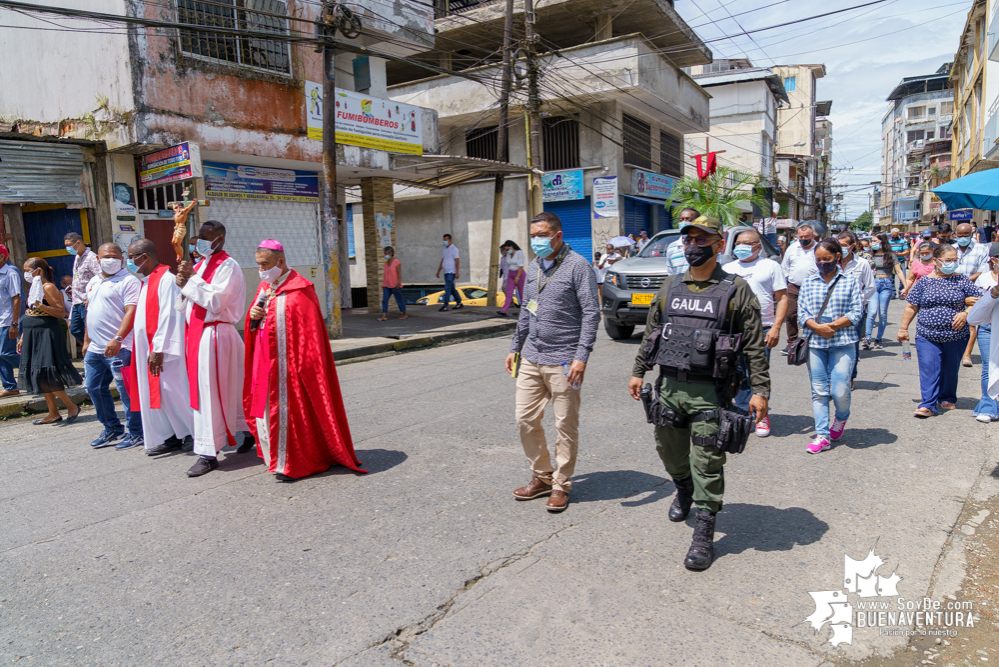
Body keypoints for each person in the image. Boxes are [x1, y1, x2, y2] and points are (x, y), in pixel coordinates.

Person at [629, 215, 770, 570]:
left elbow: (753, 346)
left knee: (707, 462)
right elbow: (652, 333)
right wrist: (638, 371)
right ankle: (683, 489)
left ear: (719, 245)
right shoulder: (670, 287)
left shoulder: (736, 290)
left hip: (711, 392)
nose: (693, 245)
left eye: (701, 240)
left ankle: (704, 532)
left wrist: (761, 391)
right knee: (669, 453)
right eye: (688, 239)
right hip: (669, 387)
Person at [244, 240, 367, 479]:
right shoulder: (264, 287)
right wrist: (253, 316)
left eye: (265, 264)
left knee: (292, 413)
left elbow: (310, 339)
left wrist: (304, 368)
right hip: (264, 364)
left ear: (280, 261)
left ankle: (294, 460)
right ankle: (274, 458)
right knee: (266, 410)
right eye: (258, 265)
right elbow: (257, 324)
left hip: (291, 368)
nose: (261, 270)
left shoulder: (301, 290)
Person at [506, 212, 600, 514]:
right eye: (533, 236)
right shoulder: (533, 266)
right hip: (532, 357)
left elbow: (591, 313)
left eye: (542, 235)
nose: (537, 241)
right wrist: (514, 347)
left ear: (558, 236)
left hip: (564, 360)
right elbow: (526, 311)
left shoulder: (578, 267)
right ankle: (542, 476)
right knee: (525, 419)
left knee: (565, 425)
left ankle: (561, 485)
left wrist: (581, 356)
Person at [175, 219, 248, 477]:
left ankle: (207, 453)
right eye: (200, 236)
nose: (202, 241)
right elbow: (186, 305)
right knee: (225, 390)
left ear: (220, 239)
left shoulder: (229, 266)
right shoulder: (202, 264)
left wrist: (192, 280)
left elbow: (216, 301)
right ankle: (248, 431)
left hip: (217, 333)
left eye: (207, 237)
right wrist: (183, 285)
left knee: (210, 393)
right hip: (199, 334)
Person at [124, 239, 193, 456]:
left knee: (173, 392)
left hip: (163, 352)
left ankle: (191, 433)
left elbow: (169, 316)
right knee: (157, 395)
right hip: (148, 348)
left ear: (144, 257)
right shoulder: (147, 281)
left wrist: (159, 348)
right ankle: (170, 436)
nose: (129, 261)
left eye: (131, 256)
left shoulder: (167, 280)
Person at [899, 243, 981, 418]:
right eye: (948, 260)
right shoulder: (925, 282)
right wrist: (903, 329)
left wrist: (966, 313)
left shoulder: (962, 280)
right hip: (927, 334)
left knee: (950, 368)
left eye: (955, 260)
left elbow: (979, 301)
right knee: (929, 367)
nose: (953, 263)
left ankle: (947, 396)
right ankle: (927, 404)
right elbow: (911, 307)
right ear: (935, 260)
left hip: (956, 335)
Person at [798, 239, 864, 454]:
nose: (822, 263)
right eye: (818, 259)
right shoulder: (808, 282)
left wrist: (832, 326)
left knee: (840, 389)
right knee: (819, 391)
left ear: (837, 257)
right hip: (816, 343)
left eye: (826, 259)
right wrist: (817, 327)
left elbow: (856, 312)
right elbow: (801, 313)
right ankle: (822, 435)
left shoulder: (850, 281)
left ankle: (842, 418)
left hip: (843, 342)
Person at [723, 228, 786, 437]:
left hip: (762, 328)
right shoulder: (728, 268)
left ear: (758, 246)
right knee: (737, 374)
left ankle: (761, 415)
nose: (741, 246)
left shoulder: (770, 266)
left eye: (747, 243)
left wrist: (776, 327)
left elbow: (782, 298)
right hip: (734, 330)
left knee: (757, 374)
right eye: (738, 242)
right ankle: (743, 415)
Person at [83, 243, 143, 449]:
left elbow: (131, 312)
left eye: (115, 256)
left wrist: (117, 338)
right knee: (93, 388)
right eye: (106, 256)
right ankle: (112, 429)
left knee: (126, 392)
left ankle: (137, 432)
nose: (111, 259)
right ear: (98, 259)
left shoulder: (128, 281)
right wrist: (86, 340)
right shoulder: (93, 281)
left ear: (122, 258)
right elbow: (90, 312)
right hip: (95, 348)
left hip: (121, 346)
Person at [16, 258, 82, 423]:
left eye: (27, 270)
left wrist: (41, 305)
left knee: (47, 373)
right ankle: (53, 413)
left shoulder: (48, 287)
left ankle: (71, 406)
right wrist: (23, 336)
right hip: (32, 334)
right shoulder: (35, 287)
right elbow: (30, 311)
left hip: (46, 334)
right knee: (39, 374)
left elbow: (60, 312)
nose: (26, 274)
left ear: (37, 271)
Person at [836, 231, 876, 384]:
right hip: (834, 310)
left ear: (852, 246)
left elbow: (870, 287)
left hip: (855, 311)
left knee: (852, 343)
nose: (840, 248)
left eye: (844, 245)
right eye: (838, 245)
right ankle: (835, 377)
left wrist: (858, 301)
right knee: (834, 343)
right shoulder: (832, 262)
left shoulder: (862, 263)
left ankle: (850, 376)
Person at [968, 245, 999, 423]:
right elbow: (975, 314)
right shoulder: (985, 278)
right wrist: (993, 293)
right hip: (988, 328)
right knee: (990, 366)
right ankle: (988, 406)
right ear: (994, 260)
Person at [861, 233, 907, 350]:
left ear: (882, 242)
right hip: (873, 284)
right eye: (873, 241)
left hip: (886, 284)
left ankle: (878, 339)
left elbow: (899, 271)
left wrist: (905, 286)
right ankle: (867, 337)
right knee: (871, 312)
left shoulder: (891, 255)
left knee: (882, 313)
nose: (873, 243)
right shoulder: (869, 255)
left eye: (876, 241)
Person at [954, 222, 990, 368]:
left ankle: (967, 354)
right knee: (955, 320)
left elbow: (983, 270)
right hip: (953, 288)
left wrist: (965, 281)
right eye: (960, 235)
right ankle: (955, 351)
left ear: (971, 235)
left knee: (971, 322)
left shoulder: (981, 249)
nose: (962, 238)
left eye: (965, 235)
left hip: (973, 290)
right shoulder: (952, 249)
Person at [780, 222, 819, 355]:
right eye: (800, 237)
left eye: (806, 236)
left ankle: (811, 341)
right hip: (794, 286)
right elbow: (785, 266)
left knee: (812, 316)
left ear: (812, 235)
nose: (803, 239)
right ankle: (792, 343)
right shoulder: (793, 247)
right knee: (790, 314)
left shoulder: (819, 248)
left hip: (814, 287)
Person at [64, 232, 100, 345]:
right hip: (76, 300)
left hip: (86, 301)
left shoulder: (91, 257)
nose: (68, 248)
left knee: (89, 330)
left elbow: (100, 277)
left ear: (78, 243)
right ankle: (91, 348)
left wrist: (91, 296)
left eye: (69, 245)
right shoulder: (77, 257)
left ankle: (94, 351)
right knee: (74, 329)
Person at [0, 244, 22, 398]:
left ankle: (38, 371)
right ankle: (10, 386)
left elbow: (17, 299)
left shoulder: (11, 272)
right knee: (0, 355)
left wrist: (14, 323)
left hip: (8, 320)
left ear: (4, 257)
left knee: (6, 352)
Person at [666, 208, 700, 275]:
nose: (684, 222)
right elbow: (671, 274)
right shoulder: (671, 248)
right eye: (681, 220)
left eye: (689, 219)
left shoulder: (706, 244)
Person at [378, 246, 407, 322]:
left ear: (390, 253)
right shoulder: (386, 263)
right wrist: (383, 284)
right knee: (385, 300)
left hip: (395, 285)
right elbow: (386, 274)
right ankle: (384, 315)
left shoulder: (397, 262)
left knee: (399, 299)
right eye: (384, 254)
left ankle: (404, 313)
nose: (385, 255)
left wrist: (399, 282)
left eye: (386, 253)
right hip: (386, 285)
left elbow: (399, 273)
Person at [498, 240, 526, 317]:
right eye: (506, 250)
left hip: (519, 274)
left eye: (508, 249)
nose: (507, 251)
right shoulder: (508, 255)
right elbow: (507, 264)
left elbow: (521, 266)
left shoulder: (519, 253)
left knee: (521, 293)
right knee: (509, 293)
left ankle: (525, 311)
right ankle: (504, 310)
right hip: (511, 273)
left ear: (512, 247)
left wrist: (517, 277)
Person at [436, 234, 463, 312]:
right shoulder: (444, 249)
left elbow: (457, 260)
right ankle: (459, 302)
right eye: (444, 240)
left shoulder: (454, 249)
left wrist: (457, 272)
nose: (444, 241)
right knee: (451, 289)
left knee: (447, 288)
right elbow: (443, 260)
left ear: (450, 240)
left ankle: (445, 305)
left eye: (446, 240)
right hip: (446, 271)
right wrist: (438, 271)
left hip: (451, 272)